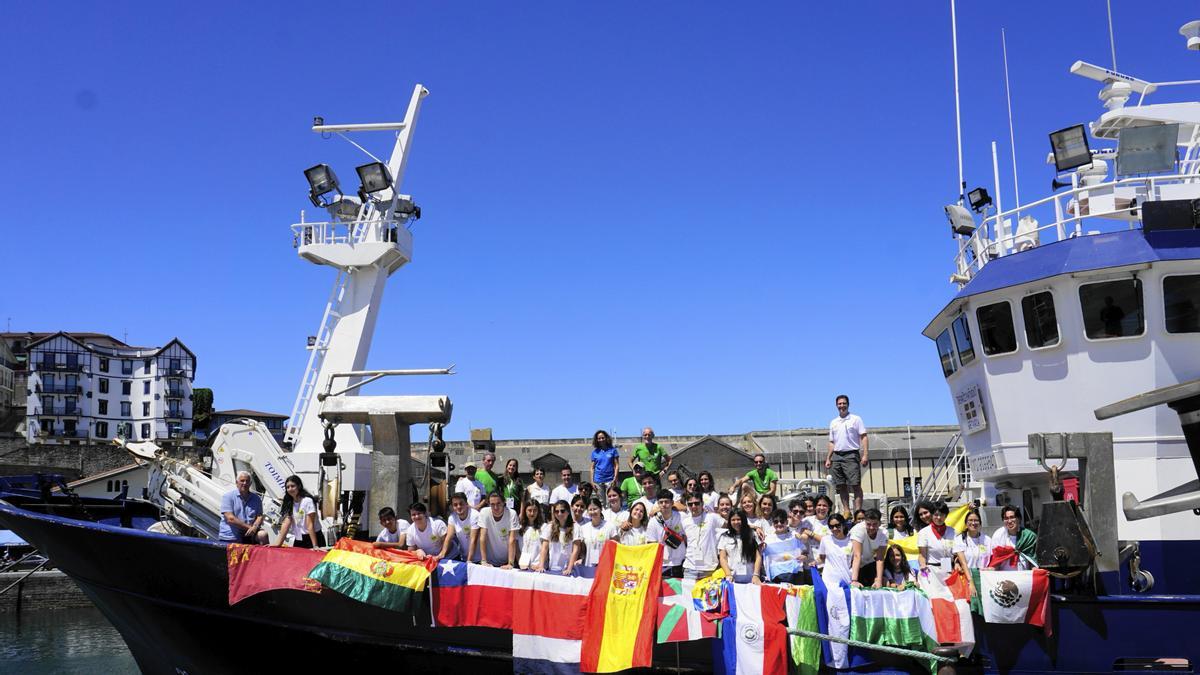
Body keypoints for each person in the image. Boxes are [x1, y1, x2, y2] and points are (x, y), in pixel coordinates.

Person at [826, 394, 869, 515]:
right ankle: (846, 510)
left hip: (851, 454)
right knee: (841, 485)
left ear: (848, 404)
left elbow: (864, 436)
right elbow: (831, 442)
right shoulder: (833, 422)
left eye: (844, 403)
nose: (842, 406)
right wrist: (828, 458)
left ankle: (858, 511)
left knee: (855, 484)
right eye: (839, 404)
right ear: (836, 405)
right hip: (837, 455)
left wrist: (865, 454)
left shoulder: (856, 419)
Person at [680, 491, 725, 579]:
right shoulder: (684, 521)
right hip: (690, 568)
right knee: (688, 593)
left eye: (696, 503)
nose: (693, 506)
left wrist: (754, 527)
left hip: (709, 569)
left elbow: (732, 525)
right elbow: (685, 541)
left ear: (702, 503)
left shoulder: (712, 517)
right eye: (690, 504)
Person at [760, 508, 807, 584]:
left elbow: (804, 551)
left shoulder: (794, 536)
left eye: (782, 521)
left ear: (786, 522)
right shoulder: (767, 540)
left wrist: (805, 556)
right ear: (772, 523)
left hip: (796, 574)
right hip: (777, 576)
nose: (779, 524)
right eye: (776, 522)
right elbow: (760, 555)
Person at [574, 498, 619, 578]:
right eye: (590, 510)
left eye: (595, 509)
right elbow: (582, 548)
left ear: (601, 509)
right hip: (587, 566)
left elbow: (615, 546)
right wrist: (581, 559)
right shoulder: (583, 528)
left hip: (605, 566)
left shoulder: (610, 526)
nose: (592, 512)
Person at [219, 471, 266, 544]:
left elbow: (259, 516)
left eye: (247, 481)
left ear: (250, 484)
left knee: (263, 535)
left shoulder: (257, 499)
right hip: (231, 536)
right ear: (236, 483)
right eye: (242, 481)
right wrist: (250, 528)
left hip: (250, 534)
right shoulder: (228, 497)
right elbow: (230, 519)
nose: (244, 483)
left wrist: (255, 527)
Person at [647, 489, 687, 578]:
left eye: (666, 502)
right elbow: (651, 545)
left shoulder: (682, 517)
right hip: (663, 565)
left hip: (681, 562)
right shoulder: (653, 522)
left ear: (672, 503)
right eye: (661, 502)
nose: (664, 505)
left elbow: (689, 537)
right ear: (658, 504)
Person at [273, 474, 320, 548]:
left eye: (292, 486)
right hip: (299, 538)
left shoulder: (307, 501)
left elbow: (310, 525)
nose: (290, 489)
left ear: (299, 486)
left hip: (313, 537)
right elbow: (286, 524)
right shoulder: (290, 502)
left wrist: (315, 545)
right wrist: (277, 544)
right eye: (287, 487)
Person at [953, 509, 991, 597]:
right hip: (967, 578)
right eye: (970, 520)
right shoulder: (960, 540)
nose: (973, 523)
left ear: (980, 523)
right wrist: (971, 582)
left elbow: (992, 559)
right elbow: (963, 563)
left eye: (976, 520)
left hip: (984, 578)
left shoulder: (987, 540)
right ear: (966, 523)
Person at [719, 509, 762, 584]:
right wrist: (728, 574)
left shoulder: (752, 534)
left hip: (751, 580)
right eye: (733, 520)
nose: (736, 522)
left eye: (738, 519)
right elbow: (723, 558)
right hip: (733, 580)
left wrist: (756, 575)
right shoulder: (724, 536)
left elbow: (758, 556)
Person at [849, 509, 889, 588]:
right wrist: (854, 581)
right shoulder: (858, 530)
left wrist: (878, 580)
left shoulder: (884, 533)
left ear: (879, 523)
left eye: (874, 524)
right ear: (864, 522)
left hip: (868, 563)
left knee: (885, 583)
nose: (871, 527)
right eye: (868, 524)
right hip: (851, 564)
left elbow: (880, 558)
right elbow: (857, 556)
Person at [990, 505, 1037, 570]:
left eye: (1012, 517)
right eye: (1006, 518)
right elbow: (996, 561)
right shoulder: (998, 535)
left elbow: (1033, 562)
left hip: (1024, 577)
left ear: (1019, 519)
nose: (1009, 521)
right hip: (1004, 577)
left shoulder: (1029, 536)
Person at [541, 500, 581, 575]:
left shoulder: (576, 527)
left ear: (568, 512)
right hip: (552, 569)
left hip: (568, 570)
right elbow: (544, 548)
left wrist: (569, 568)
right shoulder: (549, 527)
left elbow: (576, 550)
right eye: (556, 511)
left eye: (562, 511)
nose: (559, 514)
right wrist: (541, 565)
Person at [477, 492, 517, 567]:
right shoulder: (484, 512)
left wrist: (510, 563)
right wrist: (484, 561)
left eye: (498, 503)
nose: (495, 507)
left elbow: (512, 540)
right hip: (489, 561)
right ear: (489, 504)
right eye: (492, 504)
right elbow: (482, 537)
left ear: (504, 502)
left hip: (507, 559)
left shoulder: (512, 514)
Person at [917, 500, 956, 574]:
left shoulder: (953, 532)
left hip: (951, 570)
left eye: (942, 514)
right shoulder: (924, 532)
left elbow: (957, 553)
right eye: (936, 515)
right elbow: (922, 555)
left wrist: (957, 563)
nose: (939, 517)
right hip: (932, 571)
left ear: (946, 515)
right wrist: (923, 565)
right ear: (931, 515)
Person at [444, 492, 479, 561]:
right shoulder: (452, 517)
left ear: (466, 503)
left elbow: (473, 540)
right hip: (464, 557)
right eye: (455, 505)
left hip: (478, 559)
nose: (458, 507)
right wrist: (442, 554)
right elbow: (449, 537)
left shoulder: (475, 515)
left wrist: (469, 561)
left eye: (461, 504)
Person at [515, 500, 546, 570]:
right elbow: (517, 549)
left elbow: (545, 549)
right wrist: (521, 563)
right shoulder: (519, 527)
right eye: (529, 510)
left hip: (538, 566)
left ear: (538, 512)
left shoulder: (544, 527)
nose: (532, 513)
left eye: (535, 510)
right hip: (523, 566)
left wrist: (540, 564)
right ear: (525, 511)